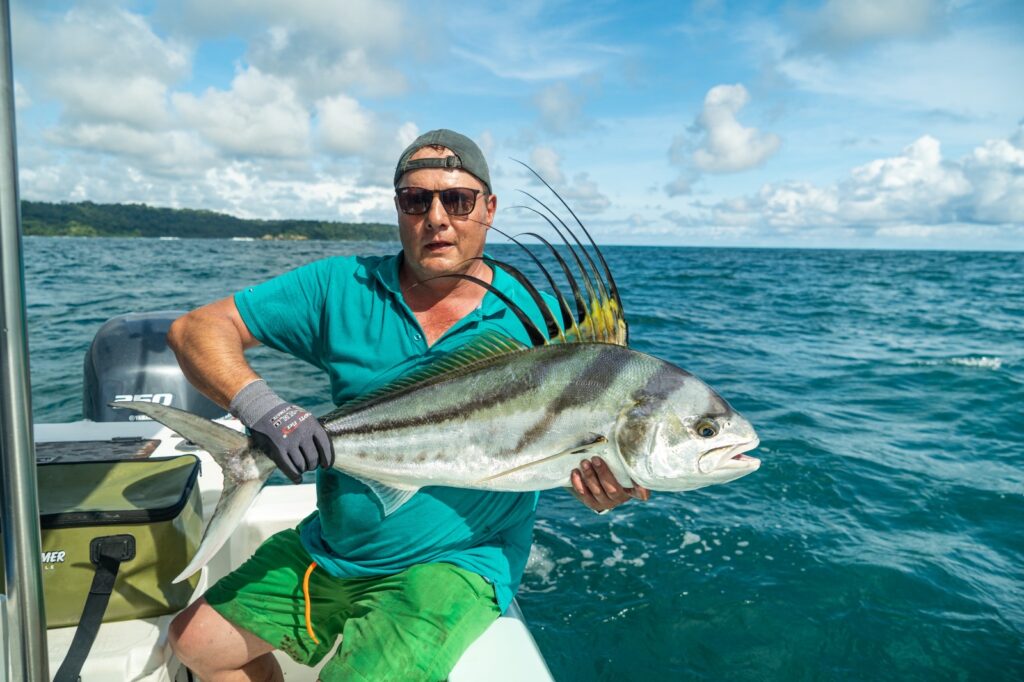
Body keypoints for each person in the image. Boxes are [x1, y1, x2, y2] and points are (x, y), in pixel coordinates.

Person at [166, 128, 650, 681]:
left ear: (488, 209)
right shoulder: (340, 285)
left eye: (458, 200)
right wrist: (263, 408)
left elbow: (578, 432)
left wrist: (604, 486)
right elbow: (194, 329)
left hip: (457, 561)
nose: (437, 218)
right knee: (195, 643)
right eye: (417, 200)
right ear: (398, 209)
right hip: (336, 548)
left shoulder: (542, 322)